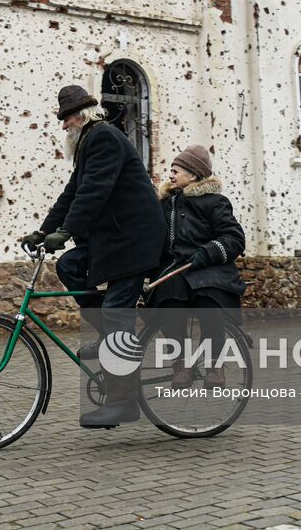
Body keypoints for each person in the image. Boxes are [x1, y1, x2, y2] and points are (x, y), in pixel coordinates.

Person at [17, 84, 163, 428]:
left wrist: (66, 232)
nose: (63, 126)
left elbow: (95, 191)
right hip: (114, 238)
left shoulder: (104, 138)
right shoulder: (89, 143)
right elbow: (74, 192)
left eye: (66, 119)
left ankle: (123, 402)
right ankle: (109, 337)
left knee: (116, 312)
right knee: (69, 265)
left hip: (134, 239)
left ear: (80, 116)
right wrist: (44, 230)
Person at [150, 144, 246, 388]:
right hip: (175, 270)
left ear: (193, 175)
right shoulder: (164, 204)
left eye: (176, 170)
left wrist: (209, 252)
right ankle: (181, 363)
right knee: (167, 301)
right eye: (170, 170)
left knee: (209, 301)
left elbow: (234, 238)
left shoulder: (214, 202)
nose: (170, 175)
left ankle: (215, 363)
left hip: (209, 269)